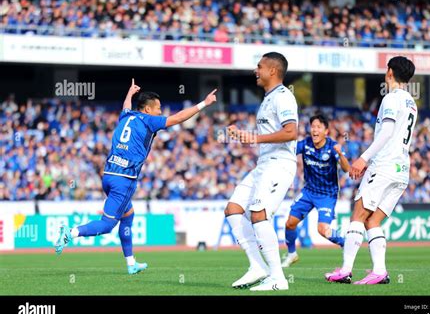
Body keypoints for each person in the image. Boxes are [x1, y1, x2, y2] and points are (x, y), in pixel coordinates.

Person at [54, 79, 217, 274]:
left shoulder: (127, 116)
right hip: (124, 180)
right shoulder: (149, 120)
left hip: (109, 175)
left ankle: (131, 264)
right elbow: (177, 118)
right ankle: (70, 233)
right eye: (158, 108)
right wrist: (204, 104)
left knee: (128, 216)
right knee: (107, 225)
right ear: (147, 110)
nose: (160, 112)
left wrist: (129, 94)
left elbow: (126, 106)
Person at [325, 56, 417, 284]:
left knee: (357, 215)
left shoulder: (391, 98)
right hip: (402, 169)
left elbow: (387, 132)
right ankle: (379, 271)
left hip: (384, 165)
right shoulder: (411, 102)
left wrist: (363, 158)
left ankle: (345, 270)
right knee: (372, 221)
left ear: (389, 72)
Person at [225, 52, 298, 291]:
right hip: (264, 164)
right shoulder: (267, 98)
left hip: (279, 163)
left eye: (259, 66)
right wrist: (246, 136)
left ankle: (278, 278)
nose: (255, 71)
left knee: (259, 213)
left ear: (272, 71)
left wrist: (254, 138)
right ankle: (257, 266)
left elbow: (291, 132)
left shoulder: (284, 97)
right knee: (234, 208)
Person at [281, 111, 350, 268]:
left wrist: (341, 154)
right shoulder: (305, 144)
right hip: (308, 192)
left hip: (327, 195)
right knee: (290, 223)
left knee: (323, 230)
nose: (314, 130)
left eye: (318, 127)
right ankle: (292, 254)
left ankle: (346, 243)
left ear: (326, 131)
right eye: (313, 126)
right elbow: (288, 150)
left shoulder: (333, 147)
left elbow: (346, 169)